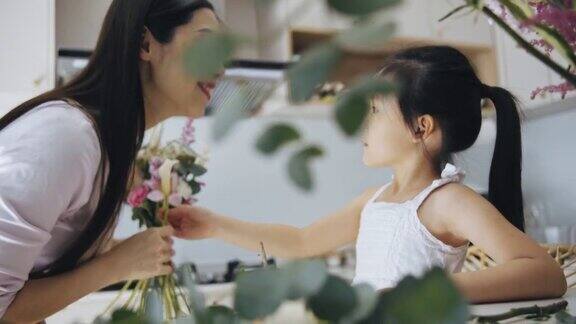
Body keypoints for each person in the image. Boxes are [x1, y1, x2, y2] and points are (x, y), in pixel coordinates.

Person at [167, 46, 567, 303]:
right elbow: (301, 241)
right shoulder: (374, 201)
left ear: (421, 128)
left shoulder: (447, 201)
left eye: (375, 110)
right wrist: (215, 226)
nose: (363, 120)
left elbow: (545, 273)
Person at [0, 0, 220, 322]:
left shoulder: (108, 146)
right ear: (146, 43)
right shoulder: (67, 137)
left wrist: (118, 251)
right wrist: (117, 265)